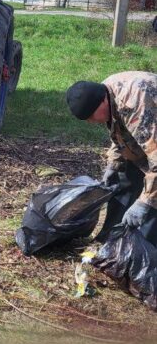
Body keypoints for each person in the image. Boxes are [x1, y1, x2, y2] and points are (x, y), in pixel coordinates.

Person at [66, 71, 157, 245]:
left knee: (151, 210)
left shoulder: (136, 104)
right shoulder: (104, 92)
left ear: (103, 102)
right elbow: (122, 135)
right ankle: (112, 240)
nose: (91, 122)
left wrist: (145, 203)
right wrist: (113, 166)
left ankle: (143, 251)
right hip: (150, 135)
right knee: (121, 176)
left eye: (91, 116)